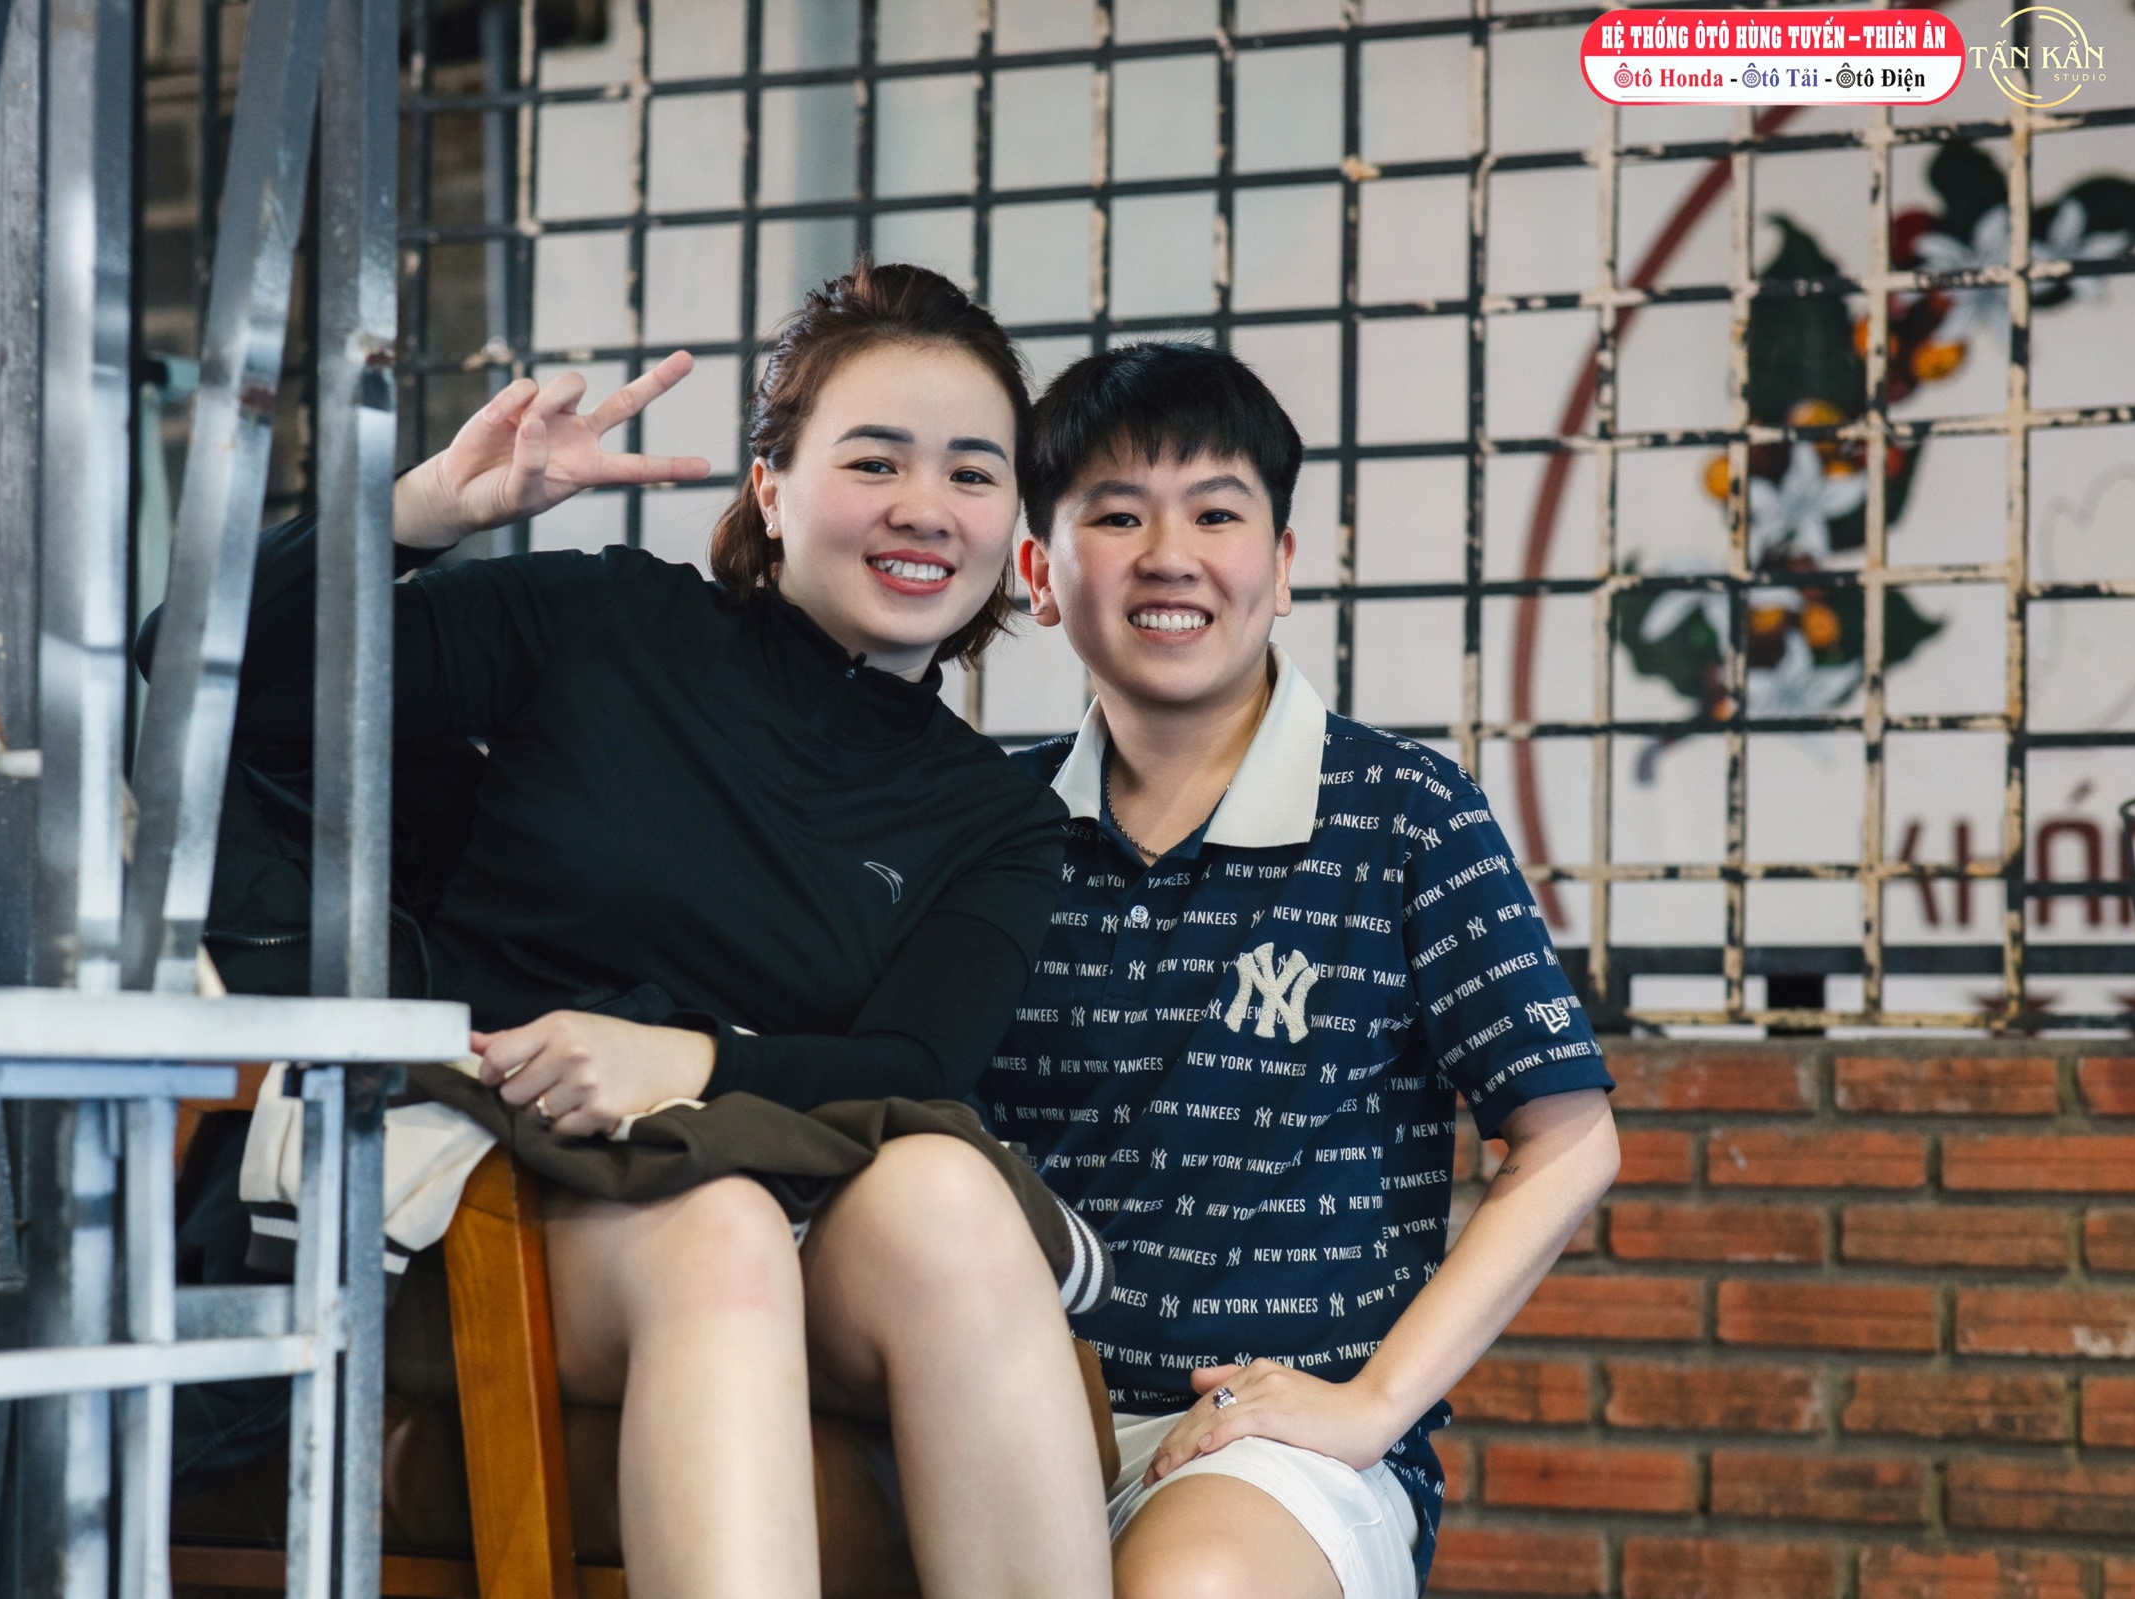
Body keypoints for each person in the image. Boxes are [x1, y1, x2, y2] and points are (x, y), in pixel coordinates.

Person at [227, 264, 1112, 1599]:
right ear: (772, 489)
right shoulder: (607, 622)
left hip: (783, 1189)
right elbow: (210, 678)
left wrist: (688, 1058)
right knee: (722, 1226)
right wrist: (420, 513)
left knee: (950, 1190)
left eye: (972, 473)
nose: (924, 506)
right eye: (874, 460)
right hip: (491, 1161)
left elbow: (913, 1066)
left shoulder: (998, 817)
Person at [978, 343, 1621, 1599]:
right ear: (1040, 575)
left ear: (1279, 566)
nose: (1170, 554)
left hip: (1273, 1453)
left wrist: (1370, 1407)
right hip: (998, 1423)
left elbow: (1570, 1142)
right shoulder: (988, 830)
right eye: (1118, 514)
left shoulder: (1406, 814)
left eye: (1217, 513)